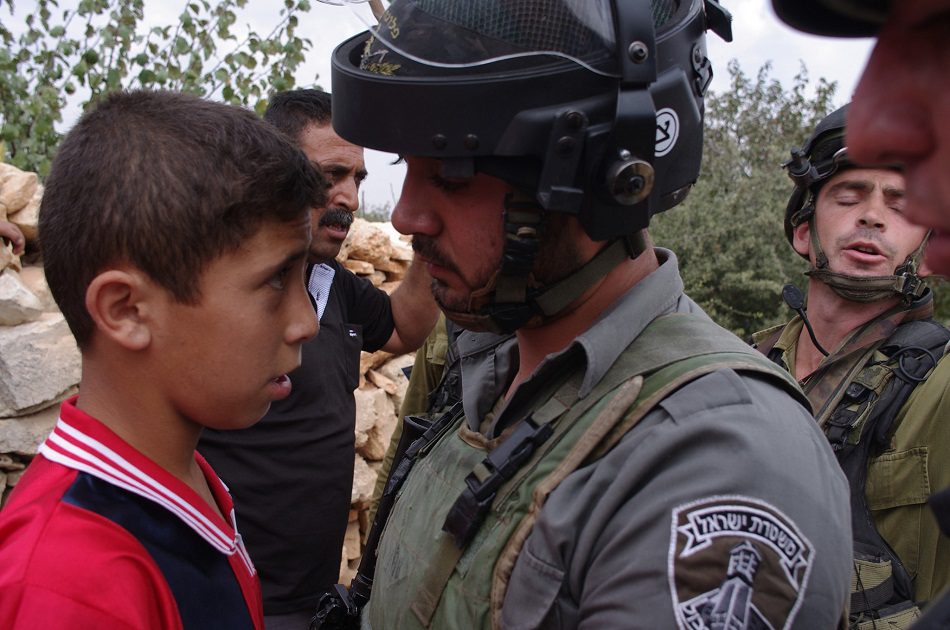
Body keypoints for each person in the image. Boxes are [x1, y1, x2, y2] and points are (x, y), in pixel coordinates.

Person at [320, 0, 854, 627]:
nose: (407, 217)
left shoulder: (724, 457)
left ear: (604, 180)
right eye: (407, 167)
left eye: (455, 177)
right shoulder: (486, 367)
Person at [0, 90, 322, 629]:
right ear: (127, 310)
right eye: (275, 280)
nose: (307, 322)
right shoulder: (68, 585)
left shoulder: (180, 471)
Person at [197, 88, 438, 630]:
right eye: (330, 175)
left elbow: (406, 325)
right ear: (267, 172)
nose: (349, 198)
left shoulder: (336, 285)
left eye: (358, 179)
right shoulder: (214, 292)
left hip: (316, 599)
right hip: (228, 598)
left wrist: (431, 224)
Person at [751, 104, 950, 628]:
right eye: (848, 196)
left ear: (929, 253)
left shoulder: (943, 386)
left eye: (902, 204)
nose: (872, 216)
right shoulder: (732, 370)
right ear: (801, 232)